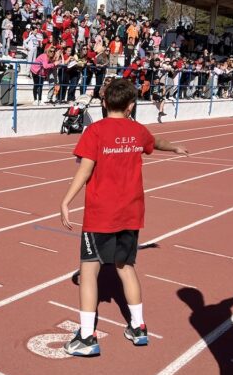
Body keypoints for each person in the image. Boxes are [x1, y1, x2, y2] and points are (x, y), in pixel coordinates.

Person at [59, 79, 188, 356]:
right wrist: (174, 147)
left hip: (100, 215)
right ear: (131, 106)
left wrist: (66, 200)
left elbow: (85, 170)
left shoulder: (95, 131)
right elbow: (156, 142)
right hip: (131, 213)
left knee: (89, 272)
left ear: (104, 103)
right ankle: (139, 327)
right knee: (125, 268)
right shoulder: (137, 130)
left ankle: (86, 336)